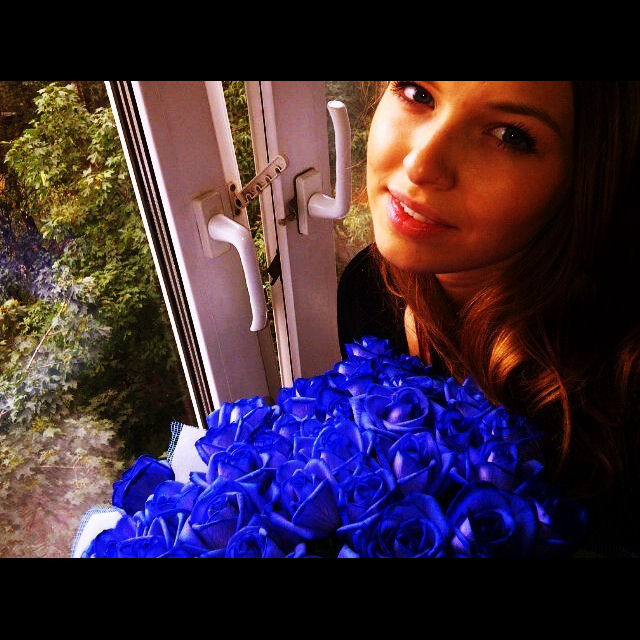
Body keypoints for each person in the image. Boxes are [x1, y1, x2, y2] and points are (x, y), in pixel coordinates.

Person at [337, 81, 640, 556]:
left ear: (584, 175)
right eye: (417, 93)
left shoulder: (617, 400)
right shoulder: (366, 288)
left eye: (510, 135)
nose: (421, 164)